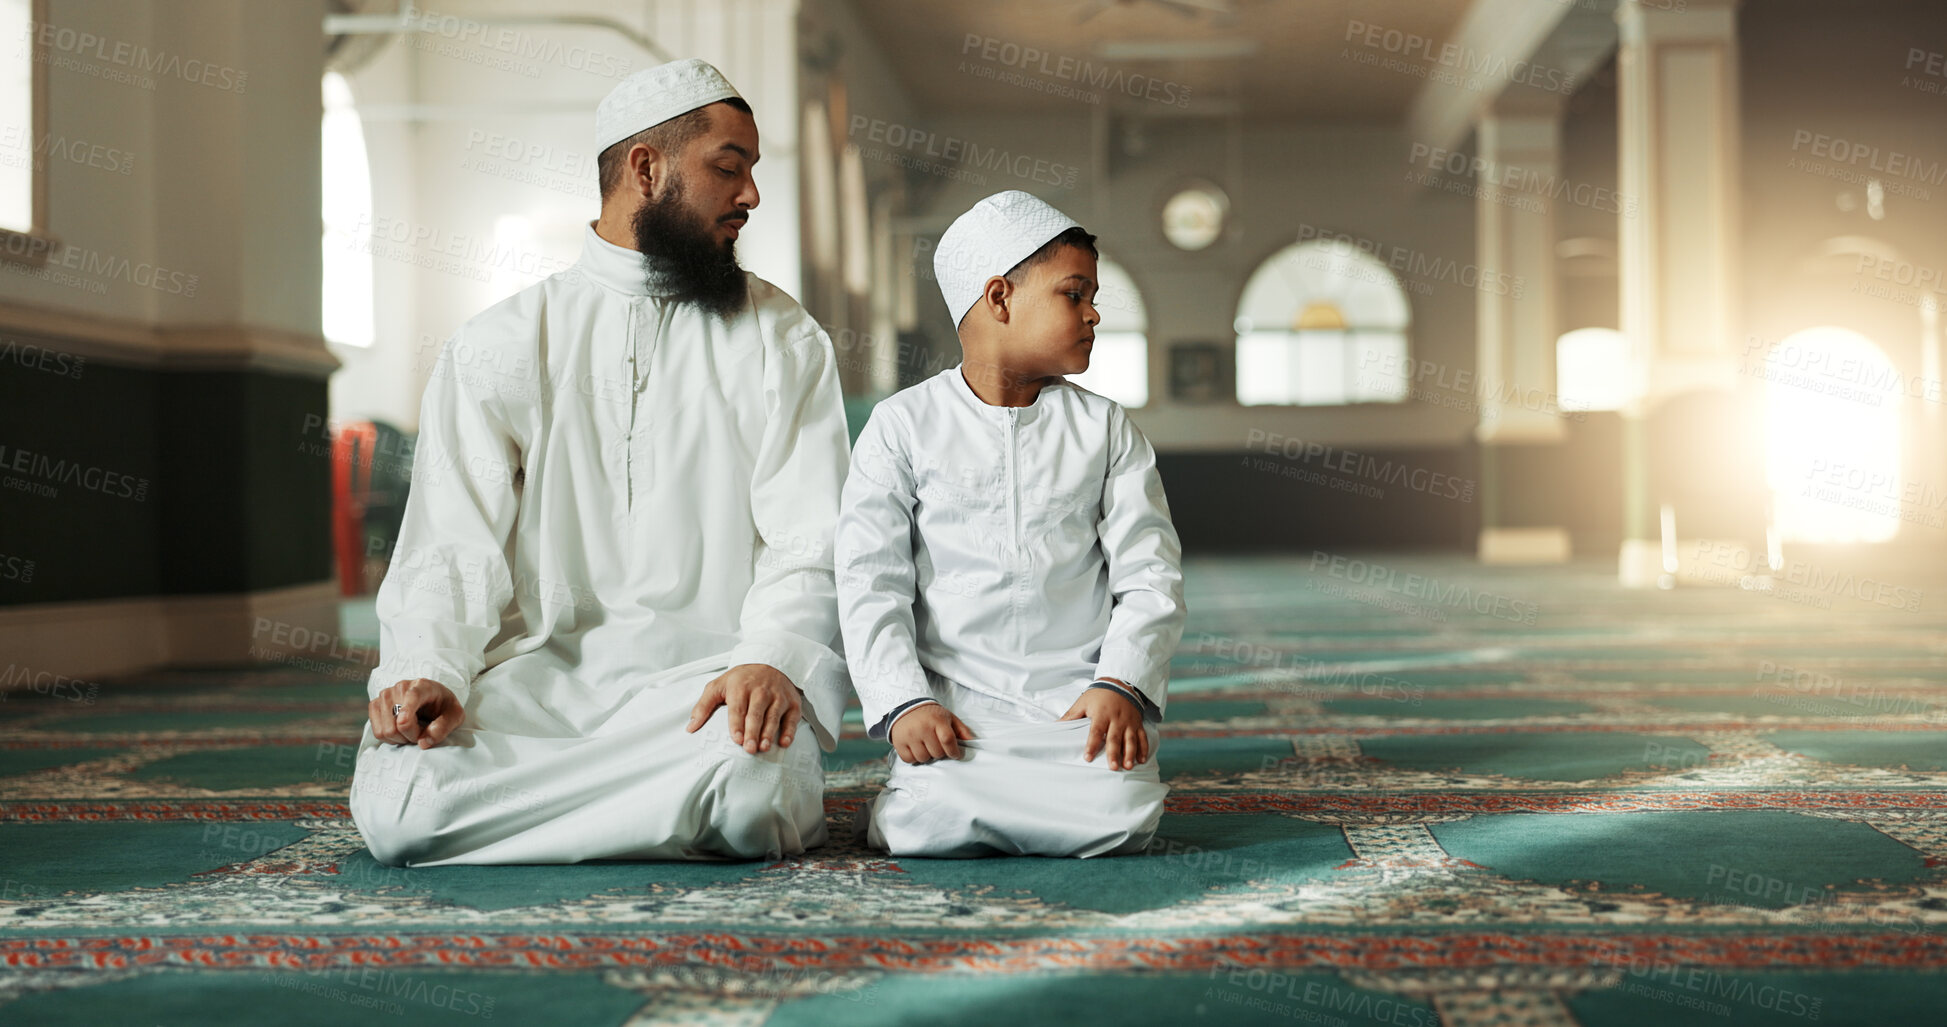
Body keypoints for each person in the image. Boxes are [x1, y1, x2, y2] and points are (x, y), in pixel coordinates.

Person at [349, 58, 851, 866]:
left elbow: (812, 537)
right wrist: (427, 667)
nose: (750, 196)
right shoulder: (500, 341)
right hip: (537, 690)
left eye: (752, 171)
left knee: (752, 791)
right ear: (645, 168)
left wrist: (770, 657)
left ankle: (543, 819)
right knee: (403, 806)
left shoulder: (782, 336)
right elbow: (450, 542)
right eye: (729, 167)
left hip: (704, 689)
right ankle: (653, 814)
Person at [834, 190, 1187, 858]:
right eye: (1073, 294)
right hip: (955, 710)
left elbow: (1151, 576)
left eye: (1091, 296)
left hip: (1076, 706)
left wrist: (1119, 683)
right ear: (999, 298)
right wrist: (905, 703)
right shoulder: (902, 425)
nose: (1093, 313)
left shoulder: (1104, 426)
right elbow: (868, 581)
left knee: (1120, 812)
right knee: (925, 820)